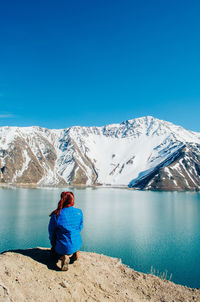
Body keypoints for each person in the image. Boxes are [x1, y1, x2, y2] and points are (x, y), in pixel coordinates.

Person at [48, 191, 83, 271]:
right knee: (72, 241)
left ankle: (63, 257)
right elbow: (80, 228)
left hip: (62, 247)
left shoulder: (56, 215)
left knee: (53, 254)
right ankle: (75, 252)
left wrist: (53, 244)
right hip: (77, 243)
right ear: (72, 200)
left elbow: (51, 232)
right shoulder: (79, 212)